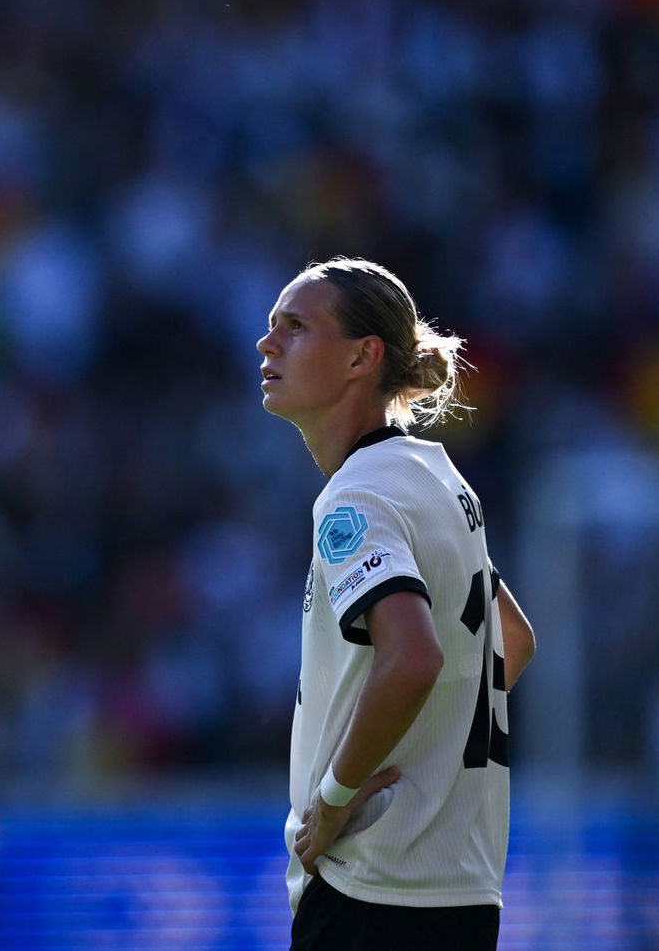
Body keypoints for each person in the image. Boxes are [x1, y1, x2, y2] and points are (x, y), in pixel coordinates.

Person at [255, 257, 537, 950]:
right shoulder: (439, 477)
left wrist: (334, 799)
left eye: (296, 327)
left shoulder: (358, 494)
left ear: (362, 357)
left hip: (372, 886)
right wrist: (428, 751)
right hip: (461, 886)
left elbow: (412, 659)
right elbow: (514, 638)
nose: (268, 343)